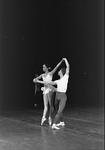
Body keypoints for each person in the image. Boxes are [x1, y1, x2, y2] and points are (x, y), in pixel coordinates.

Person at [36, 58, 70, 129]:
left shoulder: (65, 77)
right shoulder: (57, 81)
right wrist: (38, 81)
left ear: (62, 72)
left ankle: (54, 124)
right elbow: (48, 83)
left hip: (62, 95)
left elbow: (68, 66)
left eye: (59, 71)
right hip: (57, 95)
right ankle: (62, 122)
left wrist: (64, 60)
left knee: (59, 110)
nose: (58, 72)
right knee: (57, 110)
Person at [33, 59, 63, 125]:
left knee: (50, 105)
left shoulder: (50, 73)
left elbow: (56, 67)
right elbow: (36, 79)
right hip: (45, 90)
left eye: (44, 67)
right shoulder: (42, 75)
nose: (43, 68)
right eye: (42, 67)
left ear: (47, 68)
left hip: (50, 89)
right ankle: (43, 117)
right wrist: (35, 79)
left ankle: (50, 117)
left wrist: (61, 61)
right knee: (45, 105)